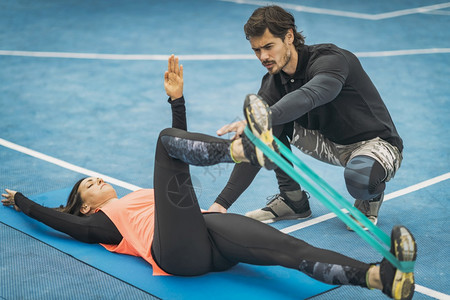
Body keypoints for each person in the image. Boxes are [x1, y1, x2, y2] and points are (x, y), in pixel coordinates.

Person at [1, 56, 416, 300]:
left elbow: (178, 165)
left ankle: (380, 277)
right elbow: (62, 222)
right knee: (164, 142)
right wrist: (22, 202)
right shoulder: (102, 221)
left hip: (208, 236)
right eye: (88, 184)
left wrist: (176, 99)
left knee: (289, 247)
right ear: (87, 204)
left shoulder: (138, 197)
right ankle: (242, 150)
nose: (96, 181)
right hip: (176, 254)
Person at [210, 5, 403, 229]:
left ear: (289, 36)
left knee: (360, 176)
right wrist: (221, 205)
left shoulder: (331, 59)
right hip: (327, 142)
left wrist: (263, 117)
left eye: (269, 47)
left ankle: (369, 198)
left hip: (374, 144)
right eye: (256, 50)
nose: (263, 56)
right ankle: (292, 200)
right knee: (262, 130)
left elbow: (311, 95)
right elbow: (256, 143)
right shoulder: (273, 83)